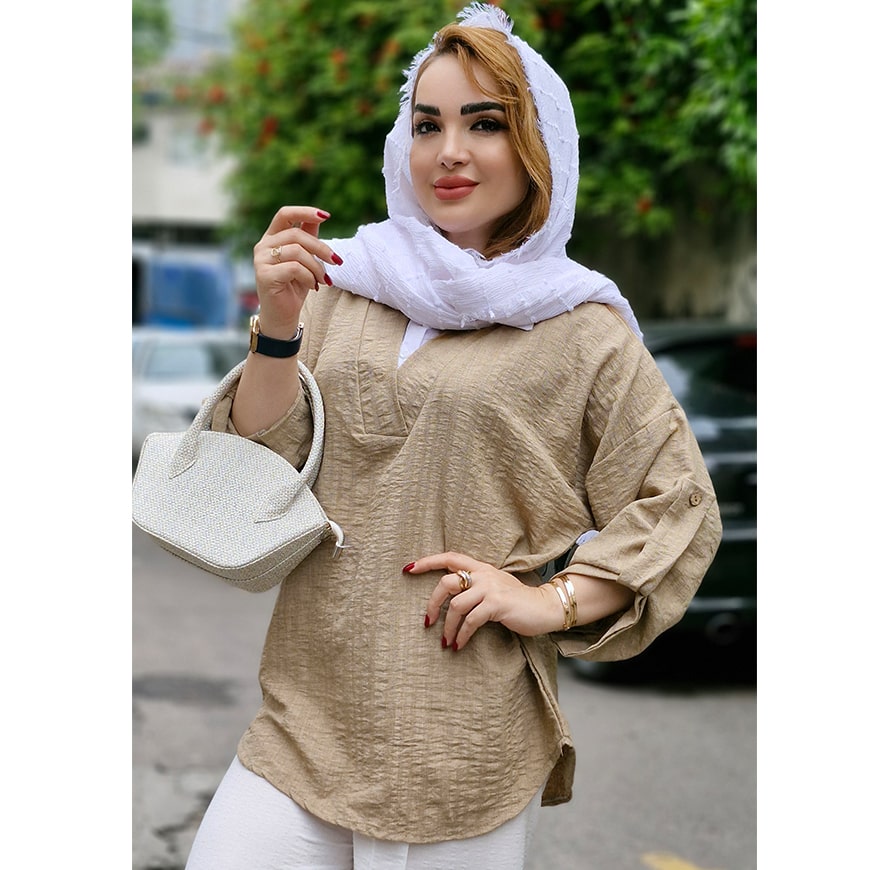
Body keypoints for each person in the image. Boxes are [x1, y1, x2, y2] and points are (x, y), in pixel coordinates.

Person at [184, 4, 722, 868]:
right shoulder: (343, 281)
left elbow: (677, 502)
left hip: (460, 743)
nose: (449, 152)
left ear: (539, 146)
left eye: (485, 124)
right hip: (304, 719)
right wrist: (278, 327)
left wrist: (552, 601)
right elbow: (256, 469)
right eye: (428, 124)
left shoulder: (582, 327)